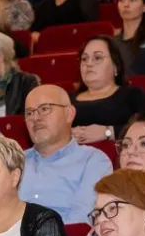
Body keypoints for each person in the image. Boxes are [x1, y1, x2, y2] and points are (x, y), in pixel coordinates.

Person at [18, 85, 113, 225]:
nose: (35, 118)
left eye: (44, 109)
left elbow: (81, 223)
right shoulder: (14, 161)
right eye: (29, 113)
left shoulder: (93, 161)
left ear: (69, 114)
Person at [71, 36, 145, 143]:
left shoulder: (133, 95)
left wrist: (108, 132)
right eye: (84, 59)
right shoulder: (65, 100)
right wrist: (66, 135)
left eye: (97, 58)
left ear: (116, 66)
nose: (89, 63)